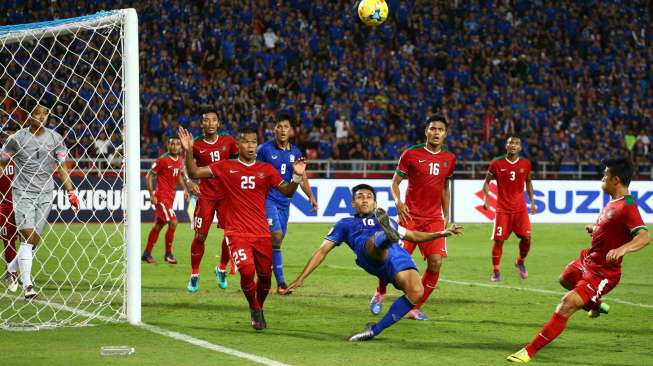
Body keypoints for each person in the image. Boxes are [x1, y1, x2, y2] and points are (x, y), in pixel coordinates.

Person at [507, 157, 650, 363]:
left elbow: (644, 237)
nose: (603, 177)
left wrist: (622, 249)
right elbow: (614, 228)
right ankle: (594, 304)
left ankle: (528, 351)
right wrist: (596, 229)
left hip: (604, 273)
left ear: (616, 180)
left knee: (567, 303)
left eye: (605, 175)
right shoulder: (615, 202)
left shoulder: (628, 206)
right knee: (565, 279)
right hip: (589, 260)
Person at [286, 184, 463, 341]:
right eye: (360, 197)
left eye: (369, 197)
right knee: (376, 240)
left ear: (375, 204)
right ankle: (385, 236)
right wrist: (301, 278)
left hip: (398, 257)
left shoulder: (389, 220)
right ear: (353, 204)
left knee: (417, 291)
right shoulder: (344, 224)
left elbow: (414, 235)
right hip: (368, 252)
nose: (364, 200)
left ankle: (374, 330)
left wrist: (440, 233)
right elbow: (322, 251)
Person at [179, 125, 306, 330]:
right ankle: (254, 309)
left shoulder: (266, 170)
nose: (250, 146)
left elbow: (288, 192)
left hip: (261, 233)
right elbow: (194, 171)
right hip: (236, 232)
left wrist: (297, 176)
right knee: (247, 271)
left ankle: (259, 307)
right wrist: (189, 150)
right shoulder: (225, 166)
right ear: (238, 144)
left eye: (254, 142)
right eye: (246, 141)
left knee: (265, 278)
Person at [370, 115, 456, 320]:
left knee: (435, 263)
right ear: (426, 131)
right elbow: (394, 183)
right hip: (410, 216)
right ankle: (380, 292)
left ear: (445, 134)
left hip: (433, 218)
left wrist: (447, 215)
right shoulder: (411, 154)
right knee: (391, 259)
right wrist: (398, 202)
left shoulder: (449, 159)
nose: (436, 133)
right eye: (433, 129)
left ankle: (414, 307)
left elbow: (445, 188)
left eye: (440, 130)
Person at [0, 104, 80, 299]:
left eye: (45, 114)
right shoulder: (17, 138)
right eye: (37, 114)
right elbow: (2, 159)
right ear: (29, 117)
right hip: (22, 193)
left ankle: (11, 268)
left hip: (45, 193)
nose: (42, 117)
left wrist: (71, 192)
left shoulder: (56, 139)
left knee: (34, 241)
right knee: (27, 237)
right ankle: (28, 286)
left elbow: (62, 167)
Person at [256, 112, 317, 294]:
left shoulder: (295, 152)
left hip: (285, 202)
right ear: (274, 129)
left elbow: (302, 176)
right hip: (268, 199)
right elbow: (256, 171)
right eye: (279, 127)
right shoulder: (265, 150)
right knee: (275, 235)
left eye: (286, 127)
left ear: (291, 131)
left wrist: (310, 196)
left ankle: (265, 271)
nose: (282, 130)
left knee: (277, 241)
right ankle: (281, 282)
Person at [185, 110, 238, 293]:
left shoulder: (228, 141)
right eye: (206, 120)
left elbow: (238, 162)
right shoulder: (196, 144)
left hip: (226, 196)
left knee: (230, 235)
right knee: (200, 236)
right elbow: (185, 167)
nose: (210, 123)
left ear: (218, 123)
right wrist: (189, 181)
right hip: (205, 196)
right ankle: (194, 274)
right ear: (202, 124)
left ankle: (221, 268)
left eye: (213, 120)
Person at [482, 136, 536, 282]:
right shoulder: (496, 163)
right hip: (503, 210)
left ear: (520, 148)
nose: (513, 145)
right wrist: (486, 199)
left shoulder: (526, 164)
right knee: (499, 241)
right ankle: (496, 271)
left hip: (520, 210)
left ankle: (520, 261)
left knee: (527, 238)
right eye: (511, 142)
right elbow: (486, 183)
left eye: (517, 143)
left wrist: (532, 202)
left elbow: (529, 182)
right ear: (506, 145)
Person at [141, 135, 189, 264]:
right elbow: (149, 176)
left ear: (180, 147)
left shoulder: (180, 159)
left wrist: (184, 188)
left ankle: (146, 253)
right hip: (161, 198)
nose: (175, 146)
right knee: (173, 222)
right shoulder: (162, 160)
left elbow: (178, 175)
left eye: (177, 144)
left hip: (170, 198)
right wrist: (151, 194)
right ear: (168, 146)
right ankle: (168, 254)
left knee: (158, 225)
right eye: (172, 144)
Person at [0, 127, 17, 285]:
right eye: (6, 138)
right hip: (4, 205)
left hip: (23, 204)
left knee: (29, 241)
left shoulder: (23, 157)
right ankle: (12, 273)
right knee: (8, 240)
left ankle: (18, 273)